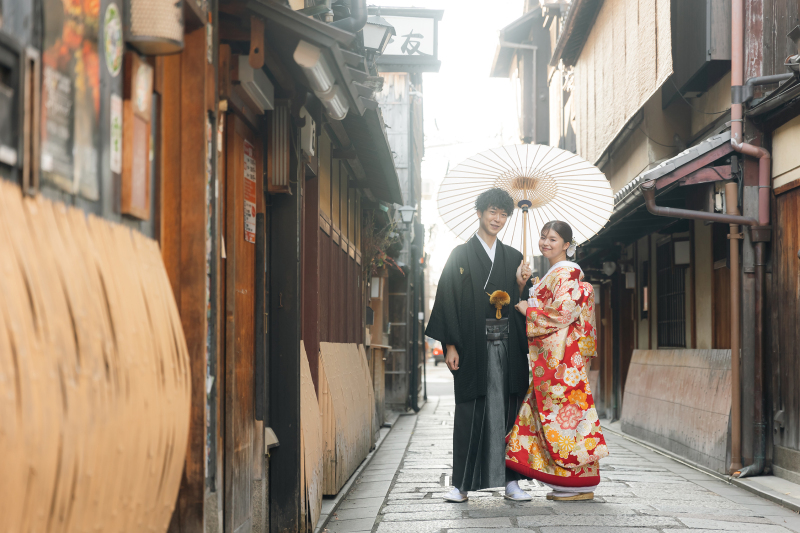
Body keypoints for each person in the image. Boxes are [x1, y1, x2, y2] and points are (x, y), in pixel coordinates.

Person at [425, 188, 534, 502]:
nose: (497, 219)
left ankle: (512, 481)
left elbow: (521, 304)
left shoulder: (514, 257)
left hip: (508, 346)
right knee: (471, 412)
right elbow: (448, 299)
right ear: (480, 213)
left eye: (503, 214)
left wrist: (520, 284)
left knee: (510, 410)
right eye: (492, 212)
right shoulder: (460, 254)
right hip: (473, 346)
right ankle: (461, 484)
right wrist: (450, 346)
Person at [506, 220, 608, 501]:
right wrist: (523, 285)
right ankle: (566, 481)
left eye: (553, 239)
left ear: (566, 245)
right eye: (543, 237)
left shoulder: (569, 273)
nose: (545, 243)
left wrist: (530, 311)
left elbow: (563, 313)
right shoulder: (554, 273)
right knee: (553, 418)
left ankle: (578, 483)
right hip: (556, 358)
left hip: (562, 360)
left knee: (566, 420)